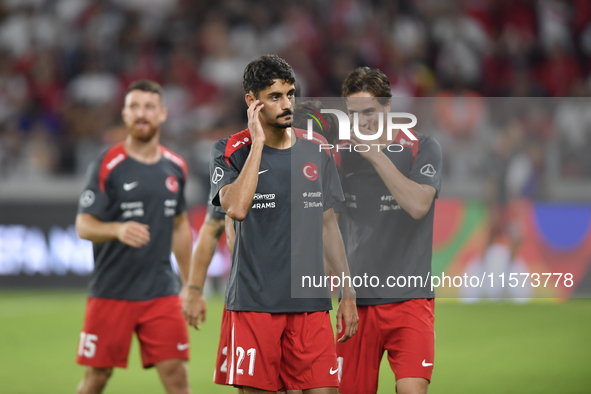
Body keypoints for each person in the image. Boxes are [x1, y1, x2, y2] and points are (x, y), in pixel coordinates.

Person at [209, 54, 358, 394]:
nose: (287, 103)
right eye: (275, 96)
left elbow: (327, 225)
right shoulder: (229, 150)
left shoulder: (317, 150)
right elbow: (236, 208)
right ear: (252, 101)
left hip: (311, 306)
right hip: (254, 306)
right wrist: (258, 143)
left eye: (290, 94)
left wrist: (347, 290)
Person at [75, 80, 193, 394]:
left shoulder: (176, 167)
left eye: (149, 107)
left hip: (160, 291)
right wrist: (116, 228)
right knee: (97, 378)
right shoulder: (106, 165)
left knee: (177, 376)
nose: (142, 114)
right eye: (135, 107)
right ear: (125, 114)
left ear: (163, 113)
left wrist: (189, 285)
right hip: (112, 291)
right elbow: (84, 225)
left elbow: (180, 226)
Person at [334, 67, 442, 394]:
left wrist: (376, 156)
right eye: (353, 114)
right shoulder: (339, 156)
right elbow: (327, 223)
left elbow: (418, 205)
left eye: (369, 111)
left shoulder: (421, 147)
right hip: (357, 303)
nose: (362, 121)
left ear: (387, 107)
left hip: (409, 299)